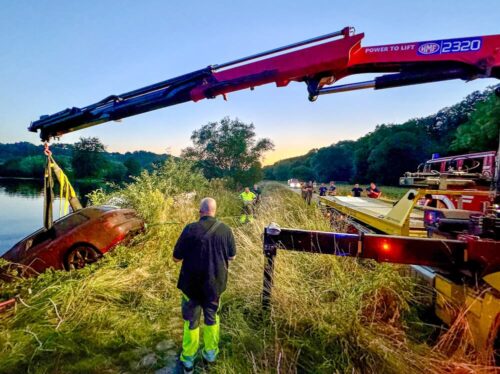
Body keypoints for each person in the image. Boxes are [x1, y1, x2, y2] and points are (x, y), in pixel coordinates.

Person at [173, 198, 236, 372]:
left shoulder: (190, 229)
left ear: (200, 211)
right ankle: (210, 355)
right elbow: (232, 257)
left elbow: (176, 258)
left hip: (191, 287)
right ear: (215, 211)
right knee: (212, 319)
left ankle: (188, 360)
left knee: (191, 322)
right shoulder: (226, 230)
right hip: (215, 286)